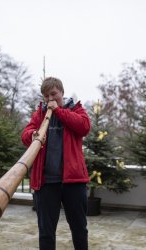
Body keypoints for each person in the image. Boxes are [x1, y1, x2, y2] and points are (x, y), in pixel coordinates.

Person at [21, 77, 91, 250]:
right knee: (46, 232)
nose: (50, 99)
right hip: (46, 183)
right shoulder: (39, 114)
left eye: (53, 94)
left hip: (73, 182)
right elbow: (25, 134)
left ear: (62, 92)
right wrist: (33, 134)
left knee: (79, 229)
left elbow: (84, 127)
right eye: (46, 96)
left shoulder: (76, 109)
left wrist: (59, 111)